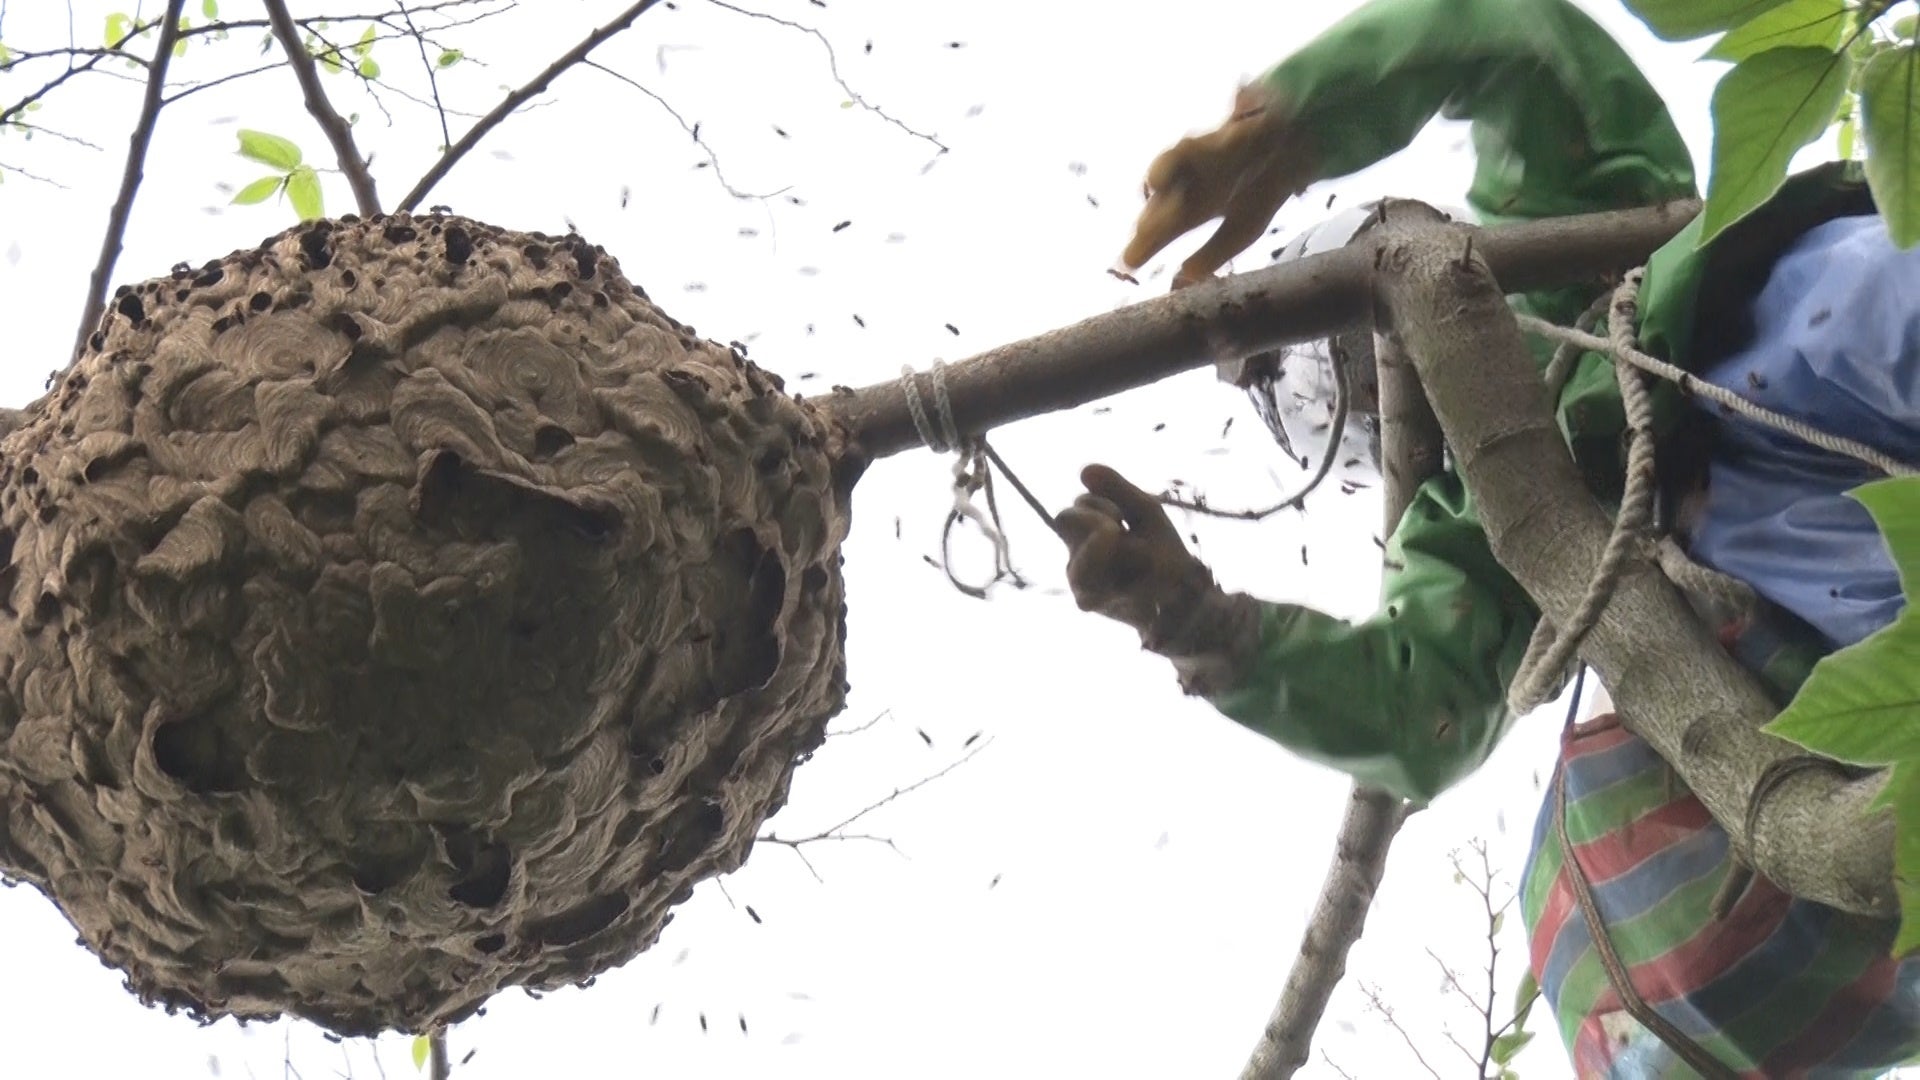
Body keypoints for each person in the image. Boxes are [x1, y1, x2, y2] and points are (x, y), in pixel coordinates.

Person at [1056, 0, 1920, 1075]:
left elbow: (1515, 43)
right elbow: (1416, 699)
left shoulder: (1568, 214)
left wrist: (1296, 121)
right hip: (1822, 560)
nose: (1399, 375)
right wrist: (1202, 624)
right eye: (1374, 393)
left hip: (1769, 337)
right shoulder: (1478, 524)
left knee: (1854, 305)